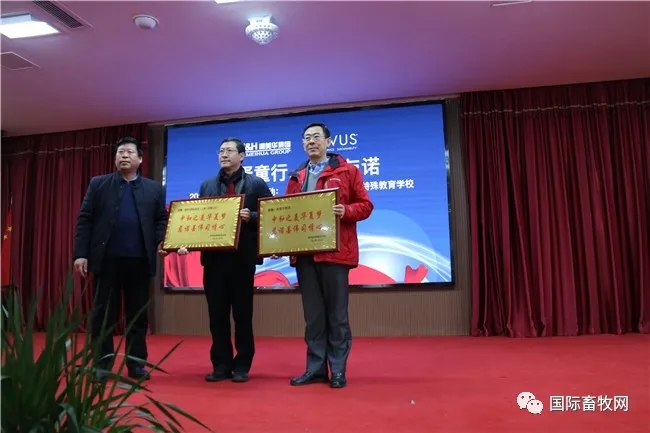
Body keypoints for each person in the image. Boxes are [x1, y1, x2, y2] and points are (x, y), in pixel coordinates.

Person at [284, 123, 373, 388]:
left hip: (335, 254)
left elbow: (366, 205)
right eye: (306, 138)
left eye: (316, 137)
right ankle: (315, 369)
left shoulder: (348, 171)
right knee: (313, 317)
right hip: (305, 256)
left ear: (328, 141)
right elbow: (287, 214)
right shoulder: (296, 176)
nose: (311, 141)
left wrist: (346, 211)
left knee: (337, 316)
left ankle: (338, 370)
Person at [72, 136, 168, 381]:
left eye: (129, 152)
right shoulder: (99, 184)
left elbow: (161, 219)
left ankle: (136, 364)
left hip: (139, 261)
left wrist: (160, 240)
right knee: (102, 316)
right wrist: (81, 253)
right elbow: (85, 220)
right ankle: (101, 365)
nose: (124, 156)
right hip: (107, 261)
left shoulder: (154, 189)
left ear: (140, 159)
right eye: (120, 152)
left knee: (138, 316)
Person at [177, 137, 272, 383]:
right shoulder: (207, 184)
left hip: (242, 260)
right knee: (216, 315)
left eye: (229, 150)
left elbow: (271, 213)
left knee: (242, 315)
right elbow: (200, 218)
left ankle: (242, 365)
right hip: (214, 260)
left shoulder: (256, 183)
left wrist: (251, 216)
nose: (224, 154)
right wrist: (186, 241)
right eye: (221, 151)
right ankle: (221, 364)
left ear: (242, 156)